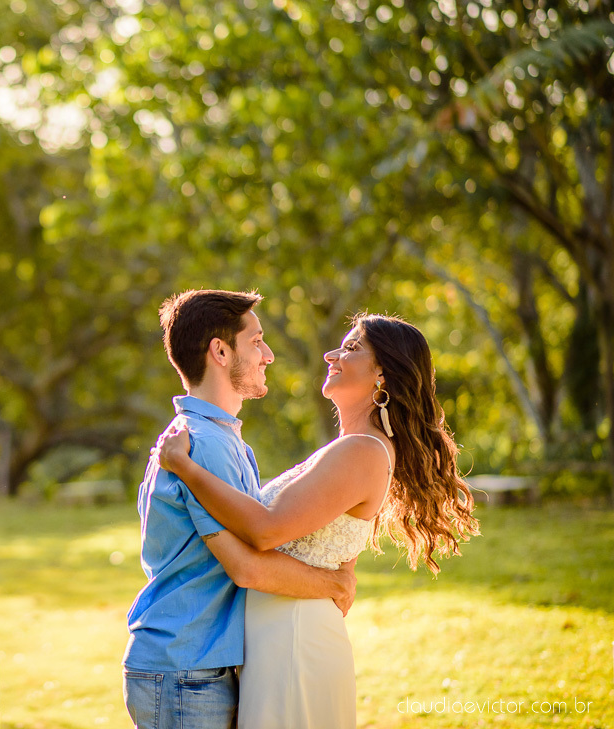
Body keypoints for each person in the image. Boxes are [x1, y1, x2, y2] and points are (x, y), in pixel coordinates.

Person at [154, 311, 480, 729]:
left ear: (383, 373)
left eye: (351, 348)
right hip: (278, 638)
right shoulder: (353, 448)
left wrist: (185, 468)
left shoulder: (362, 450)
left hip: (294, 642)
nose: (332, 354)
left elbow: (265, 529)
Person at [124, 289, 358, 729]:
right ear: (219, 351)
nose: (267, 355)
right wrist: (334, 584)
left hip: (191, 665)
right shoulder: (204, 444)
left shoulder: (212, 438)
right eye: (256, 341)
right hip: (186, 670)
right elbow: (248, 567)